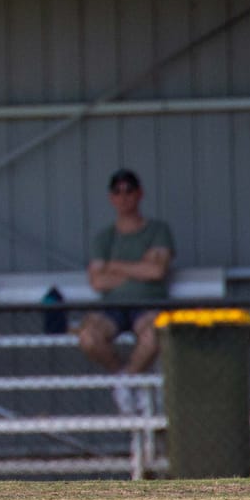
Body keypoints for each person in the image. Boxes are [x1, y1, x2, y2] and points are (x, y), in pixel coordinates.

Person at [78, 168, 176, 413]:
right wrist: (139, 267)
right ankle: (123, 378)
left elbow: (157, 272)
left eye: (129, 190)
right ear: (111, 198)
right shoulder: (104, 237)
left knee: (154, 336)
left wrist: (114, 266)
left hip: (148, 304)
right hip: (111, 308)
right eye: (117, 192)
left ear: (140, 194)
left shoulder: (157, 230)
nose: (124, 197)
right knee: (88, 338)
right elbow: (98, 282)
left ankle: (128, 380)